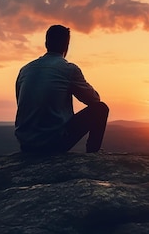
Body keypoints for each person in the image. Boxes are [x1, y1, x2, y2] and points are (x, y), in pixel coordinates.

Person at [14, 24, 109, 153]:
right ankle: (93, 154)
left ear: (46, 43)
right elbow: (94, 100)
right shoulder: (68, 69)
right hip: (52, 144)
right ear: (67, 45)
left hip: (26, 145)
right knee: (101, 109)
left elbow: (21, 102)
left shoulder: (25, 70)